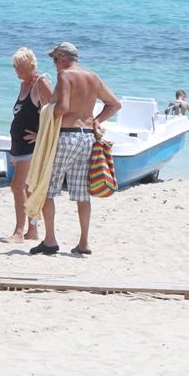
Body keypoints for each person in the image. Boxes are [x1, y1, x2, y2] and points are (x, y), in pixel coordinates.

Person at [32, 42, 120, 256]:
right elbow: (114, 104)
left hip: (66, 137)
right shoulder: (93, 77)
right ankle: (83, 242)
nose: (54, 64)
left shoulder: (65, 75)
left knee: (46, 188)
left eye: (55, 59)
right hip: (87, 138)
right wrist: (96, 120)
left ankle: (50, 240)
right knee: (82, 193)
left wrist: (46, 112)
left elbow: (62, 107)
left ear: (63, 57)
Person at [4, 47, 53, 243]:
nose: (16, 70)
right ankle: (32, 231)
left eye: (20, 66)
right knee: (26, 188)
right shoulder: (24, 85)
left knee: (17, 186)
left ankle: (19, 232)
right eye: (15, 66)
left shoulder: (40, 83)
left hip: (30, 148)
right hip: (18, 147)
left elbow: (57, 109)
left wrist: (41, 135)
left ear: (31, 65)